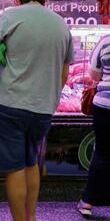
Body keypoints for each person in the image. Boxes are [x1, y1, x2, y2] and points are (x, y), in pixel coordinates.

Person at [0, 0, 74, 221]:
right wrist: (50, 96)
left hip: (10, 104)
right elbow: (65, 72)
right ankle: (31, 217)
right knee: (31, 161)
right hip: (43, 108)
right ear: (45, 0)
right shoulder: (61, 24)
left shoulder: (10, 17)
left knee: (14, 168)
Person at [77, 35, 110, 216]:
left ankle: (87, 203)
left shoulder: (106, 41)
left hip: (106, 106)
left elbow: (94, 74)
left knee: (103, 153)